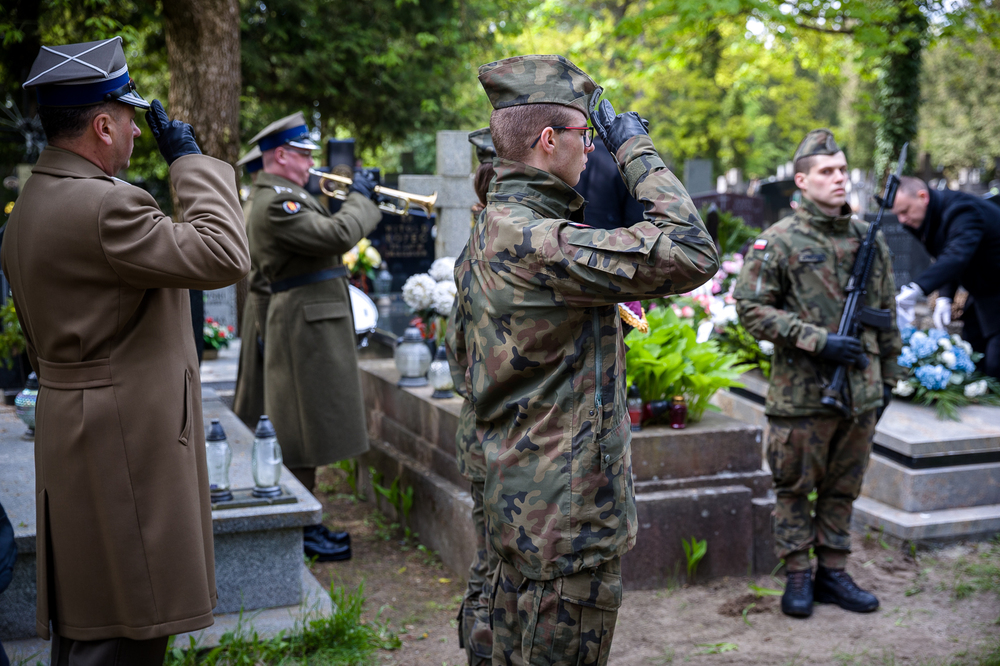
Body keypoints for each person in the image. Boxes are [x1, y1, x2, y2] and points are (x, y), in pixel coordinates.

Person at [454, 54, 718, 665]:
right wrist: (637, 149)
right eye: (586, 136)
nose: (593, 149)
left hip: (511, 499)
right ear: (549, 141)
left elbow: (468, 363)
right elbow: (691, 249)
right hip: (564, 518)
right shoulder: (542, 239)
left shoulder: (494, 224)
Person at [2, 37, 250, 663]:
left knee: (93, 624)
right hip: (122, 449)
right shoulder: (107, 204)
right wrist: (189, 162)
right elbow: (225, 254)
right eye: (132, 121)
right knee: (125, 632)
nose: (140, 135)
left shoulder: (35, 198)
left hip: (86, 434)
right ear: (103, 124)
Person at [733, 129, 905, 619]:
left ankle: (833, 571)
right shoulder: (779, 242)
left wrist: (888, 378)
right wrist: (818, 339)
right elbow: (750, 309)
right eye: (827, 172)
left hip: (861, 389)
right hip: (802, 393)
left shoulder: (866, 240)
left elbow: (886, 314)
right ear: (802, 181)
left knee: (843, 487)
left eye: (843, 170)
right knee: (794, 486)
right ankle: (799, 576)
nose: (839, 179)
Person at [246, 112, 382, 562]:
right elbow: (336, 234)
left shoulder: (286, 194)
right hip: (302, 324)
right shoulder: (274, 202)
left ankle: (305, 520)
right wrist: (361, 199)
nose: (310, 165)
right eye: (303, 155)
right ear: (280, 156)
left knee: (308, 429)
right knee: (300, 431)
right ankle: (301, 525)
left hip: (309, 320)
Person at [445, 128, 498, 666]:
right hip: (499, 438)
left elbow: (456, 349)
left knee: (490, 559)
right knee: (496, 564)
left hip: (482, 434)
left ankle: (481, 650)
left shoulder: (477, 240)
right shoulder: (495, 246)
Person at [892, 176, 1000, 379]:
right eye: (897, 214)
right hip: (984, 289)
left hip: (994, 286)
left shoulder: (962, 210)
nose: (902, 220)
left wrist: (918, 288)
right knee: (974, 351)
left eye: (905, 211)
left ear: (922, 197)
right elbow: (946, 254)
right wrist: (945, 297)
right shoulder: (930, 216)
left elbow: (957, 255)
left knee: (995, 364)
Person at [233, 145, 268, 428]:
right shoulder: (259, 205)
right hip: (263, 308)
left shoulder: (252, 202)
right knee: (261, 395)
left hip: (259, 306)